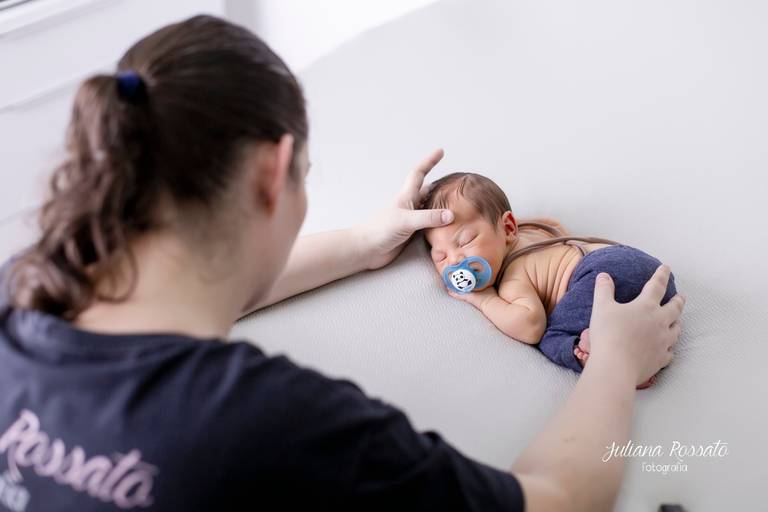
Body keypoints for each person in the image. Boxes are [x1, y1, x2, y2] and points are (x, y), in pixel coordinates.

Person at [0, 15, 684, 512]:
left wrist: (364, 243)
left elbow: (199, 289)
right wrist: (615, 362)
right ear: (273, 175)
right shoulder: (275, 422)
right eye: (306, 175)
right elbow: (551, 501)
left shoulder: (23, 296)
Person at [420, 172, 678, 389]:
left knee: (550, 338)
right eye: (440, 257)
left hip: (598, 276)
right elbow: (551, 224)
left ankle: (604, 358)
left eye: (465, 241)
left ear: (508, 228)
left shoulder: (513, 276)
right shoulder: (532, 231)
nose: (455, 261)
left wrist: (484, 299)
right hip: (646, 267)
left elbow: (530, 326)